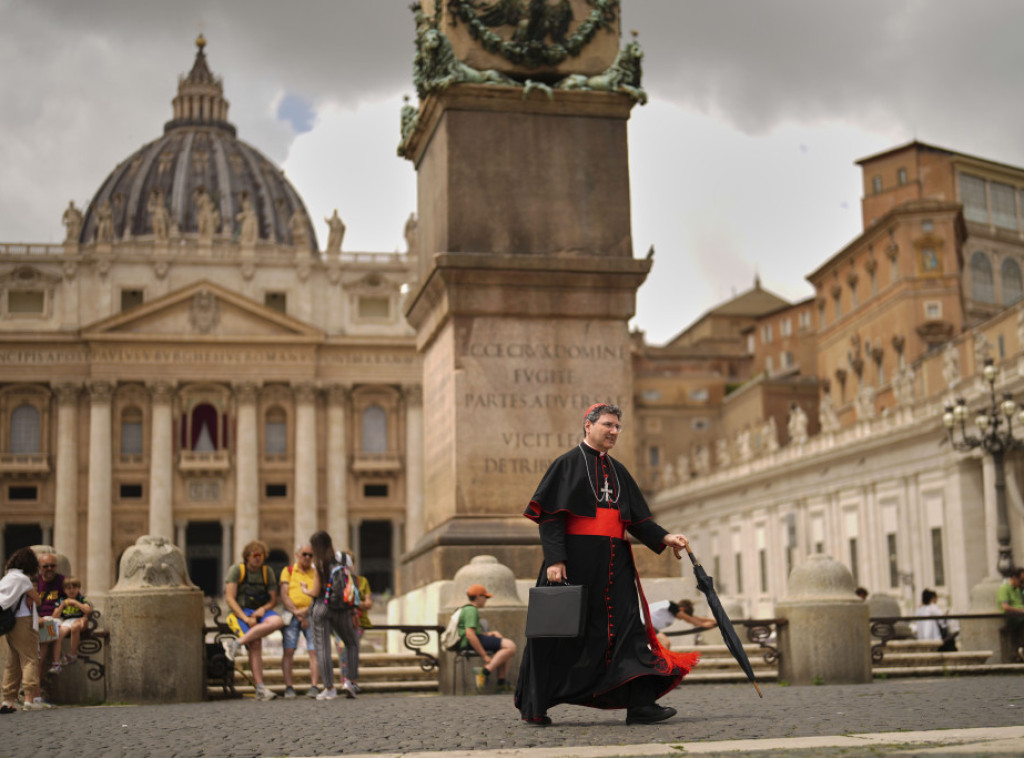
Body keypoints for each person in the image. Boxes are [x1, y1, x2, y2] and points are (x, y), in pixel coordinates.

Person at [515, 403, 701, 727]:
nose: (614, 431)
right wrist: (555, 560)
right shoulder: (566, 465)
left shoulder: (619, 471)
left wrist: (666, 537)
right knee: (554, 637)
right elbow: (551, 517)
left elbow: (638, 521)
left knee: (628, 632)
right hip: (576, 563)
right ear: (587, 426)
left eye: (617, 427)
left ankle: (641, 704)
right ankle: (535, 704)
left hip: (615, 565)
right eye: (608, 425)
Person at [224, 540, 285, 701]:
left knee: (278, 621)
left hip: (259, 611)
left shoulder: (267, 572)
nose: (259, 558)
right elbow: (230, 598)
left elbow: (273, 600)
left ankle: (237, 644)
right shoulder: (236, 570)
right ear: (247, 556)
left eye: (262, 555)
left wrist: (263, 609)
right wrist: (245, 618)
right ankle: (260, 688)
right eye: (255, 555)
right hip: (239, 612)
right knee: (255, 643)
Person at [303, 531, 359, 700]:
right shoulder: (343, 559)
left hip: (322, 607)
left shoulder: (318, 562)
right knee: (351, 643)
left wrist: (304, 589)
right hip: (341, 607)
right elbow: (351, 581)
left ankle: (329, 688)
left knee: (323, 648)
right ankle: (350, 682)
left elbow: (315, 590)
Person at [1, 547, 50, 711]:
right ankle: (29, 697)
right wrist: (31, 595)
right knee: (29, 658)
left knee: (13, 660)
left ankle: (8, 699)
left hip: (10, 623)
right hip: (23, 621)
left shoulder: (8, 577)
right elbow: (38, 599)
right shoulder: (23, 579)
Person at [278, 543, 321, 699]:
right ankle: (289, 687)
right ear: (297, 555)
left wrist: (305, 612)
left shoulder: (316, 572)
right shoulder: (288, 571)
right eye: (305, 554)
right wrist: (298, 613)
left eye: (311, 555)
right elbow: (284, 595)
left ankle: (314, 686)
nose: (308, 558)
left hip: (311, 614)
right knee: (288, 650)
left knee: (313, 651)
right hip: (292, 614)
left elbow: (318, 594)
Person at [456, 584, 516, 692]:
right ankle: (484, 672)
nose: (486, 600)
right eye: (485, 597)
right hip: (469, 642)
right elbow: (470, 635)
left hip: (474, 639)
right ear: (478, 596)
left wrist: (490, 633)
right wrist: (485, 656)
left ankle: (501, 682)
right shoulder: (471, 610)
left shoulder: (468, 609)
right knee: (510, 646)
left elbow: (473, 632)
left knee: (504, 649)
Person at [48, 576, 92, 674]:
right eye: (69, 588)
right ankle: (56, 664)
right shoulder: (61, 600)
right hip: (66, 621)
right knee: (58, 635)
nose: (71, 590)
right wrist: (63, 605)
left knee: (75, 627)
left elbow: (88, 610)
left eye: (74, 587)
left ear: (78, 588)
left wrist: (76, 603)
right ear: (64, 590)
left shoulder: (81, 599)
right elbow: (54, 616)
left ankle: (72, 654)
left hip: (79, 620)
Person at [649, 598, 717, 650]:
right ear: (681, 609)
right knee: (665, 643)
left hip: (647, 628)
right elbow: (689, 619)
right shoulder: (672, 605)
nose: (682, 619)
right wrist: (703, 625)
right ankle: (658, 666)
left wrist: (715, 621)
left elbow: (692, 617)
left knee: (661, 643)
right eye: (683, 616)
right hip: (643, 625)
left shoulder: (671, 612)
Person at [35, 553, 64, 672]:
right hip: (37, 620)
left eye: (52, 566)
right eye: (46, 566)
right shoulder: (34, 582)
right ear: (39, 568)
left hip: (53, 621)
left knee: (45, 642)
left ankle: (34, 683)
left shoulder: (63, 581)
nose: (49, 569)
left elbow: (74, 599)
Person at [996, 567, 1024, 660]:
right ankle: (1016, 652)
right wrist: (1021, 611)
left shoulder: (1018, 589)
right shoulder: (1004, 588)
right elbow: (1005, 607)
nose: (1022, 584)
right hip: (1012, 617)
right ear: (1014, 578)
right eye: (1021, 581)